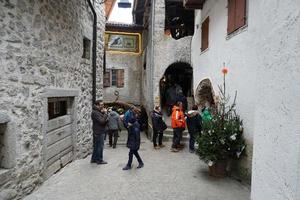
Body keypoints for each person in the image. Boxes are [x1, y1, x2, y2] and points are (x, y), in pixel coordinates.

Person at [91, 100, 108, 164]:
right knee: (100, 146)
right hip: (99, 131)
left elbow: (101, 120)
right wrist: (105, 114)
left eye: (103, 105)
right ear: (97, 105)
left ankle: (94, 159)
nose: (103, 106)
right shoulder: (95, 112)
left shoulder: (97, 111)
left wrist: (103, 113)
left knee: (96, 146)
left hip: (98, 130)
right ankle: (99, 160)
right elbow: (102, 121)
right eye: (101, 105)